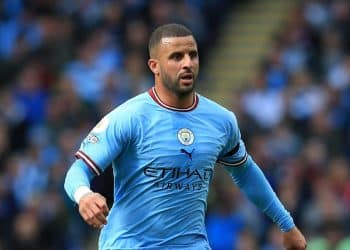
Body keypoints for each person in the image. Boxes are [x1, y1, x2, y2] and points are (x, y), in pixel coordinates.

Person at [64, 23, 307, 250]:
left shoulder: (221, 121)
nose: (188, 63)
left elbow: (245, 172)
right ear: (154, 66)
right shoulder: (129, 117)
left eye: (193, 55)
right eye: (176, 57)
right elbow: (77, 171)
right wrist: (84, 195)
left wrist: (286, 224)